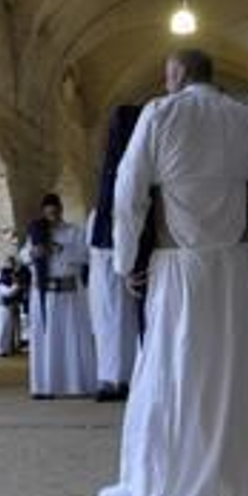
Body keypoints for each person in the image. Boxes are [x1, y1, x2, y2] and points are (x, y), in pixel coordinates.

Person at [98, 49, 248, 496]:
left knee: (179, 362)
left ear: (177, 74)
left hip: (178, 263)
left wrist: (125, 261)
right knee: (237, 364)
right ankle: (239, 485)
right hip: (237, 264)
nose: (164, 82)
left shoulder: (159, 113)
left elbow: (128, 193)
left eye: (166, 75)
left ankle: (173, 480)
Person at [87, 105, 145, 401]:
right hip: (109, 255)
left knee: (125, 318)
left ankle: (128, 376)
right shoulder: (118, 171)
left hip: (123, 251)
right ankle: (112, 376)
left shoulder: (129, 167)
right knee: (111, 319)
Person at [21, 193, 96, 398]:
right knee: (46, 340)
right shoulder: (37, 232)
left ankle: (74, 384)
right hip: (44, 294)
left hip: (68, 294)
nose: (52, 216)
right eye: (48, 213)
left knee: (70, 339)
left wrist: (60, 248)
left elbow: (85, 256)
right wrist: (33, 253)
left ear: (60, 210)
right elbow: (23, 255)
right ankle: (45, 386)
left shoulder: (74, 231)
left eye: (55, 212)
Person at [0, 257, 22, 356]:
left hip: (8, 307)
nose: (12, 277)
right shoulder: (1, 283)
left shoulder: (5, 281)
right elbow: (8, 293)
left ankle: (6, 348)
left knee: (7, 329)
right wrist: (17, 286)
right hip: (2, 307)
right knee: (1, 329)